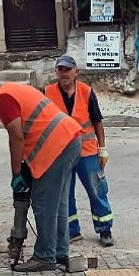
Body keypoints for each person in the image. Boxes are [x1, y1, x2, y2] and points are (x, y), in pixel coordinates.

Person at [0, 73, 82, 272]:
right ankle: (59, 252)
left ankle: (45, 256)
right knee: (57, 203)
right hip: (70, 140)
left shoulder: (2, 98)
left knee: (43, 202)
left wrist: (16, 173)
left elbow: (16, 136)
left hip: (57, 146)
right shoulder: (14, 88)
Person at [44, 54, 115, 247]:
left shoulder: (86, 92)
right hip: (61, 153)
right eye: (61, 69)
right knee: (64, 193)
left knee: (96, 190)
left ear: (76, 72)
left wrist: (103, 148)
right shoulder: (47, 93)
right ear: (56, 71)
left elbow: (97, 122)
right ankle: (72, 231)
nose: (64, 73)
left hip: (87, 152)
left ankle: (105, 229)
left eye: (68, 69)